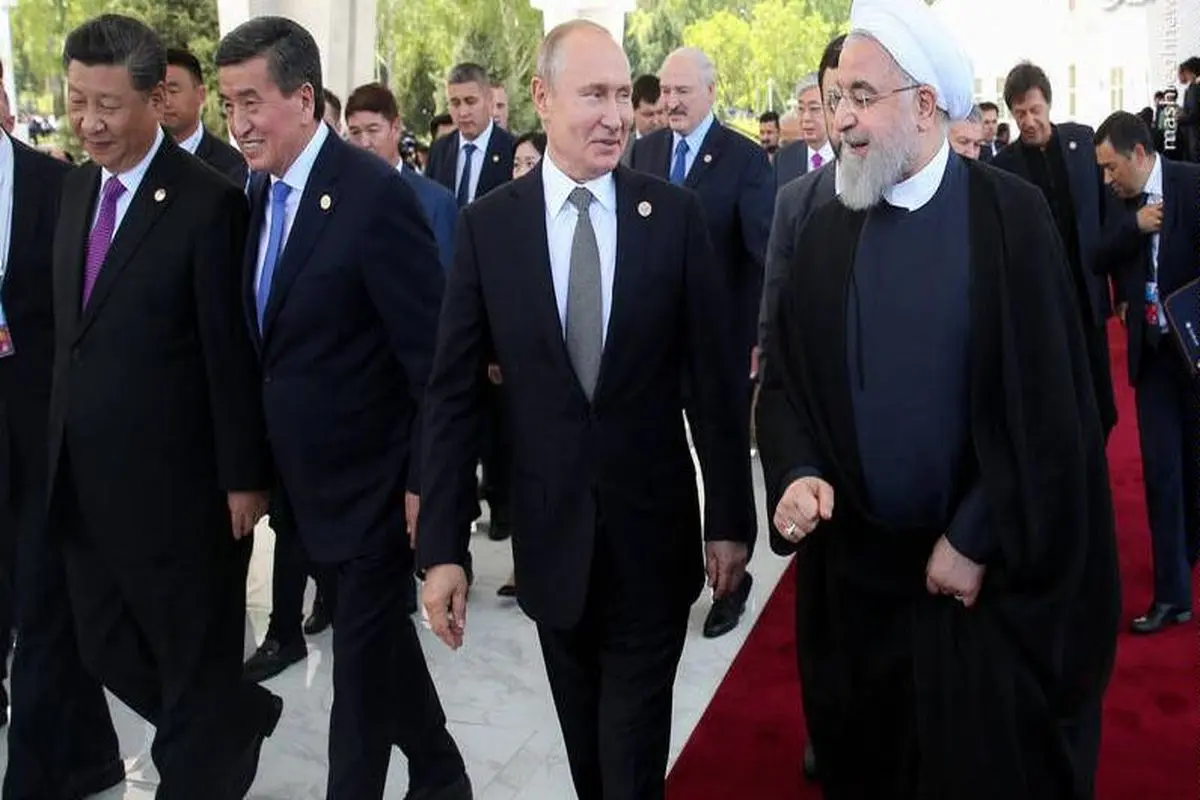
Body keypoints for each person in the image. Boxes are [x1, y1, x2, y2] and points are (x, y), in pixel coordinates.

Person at [756, 1, 1120, 796]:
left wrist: (975, 534)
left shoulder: (1010, 219)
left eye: (861, 97)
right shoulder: (824, 234)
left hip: (979, 594)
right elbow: (784, 386)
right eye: (836, 98)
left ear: (925, 105)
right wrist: (796, 472)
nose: (840, 119)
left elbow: (1051, 408)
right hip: (860, 599)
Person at [419, 19, 754, 800]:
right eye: (594, 95)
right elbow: (452, 396)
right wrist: (443, 547)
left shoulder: (672, 217)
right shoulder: (490, 227)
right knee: (589, 764)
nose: (616, 116)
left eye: (622, 95)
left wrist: (730, 520)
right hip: (550, 548)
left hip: (653, 542)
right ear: (541, 98)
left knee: (630, 764)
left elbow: (712, 384)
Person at [215, 17, 470, 800]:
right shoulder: (256, 192)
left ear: (303, 99)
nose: (239, 123)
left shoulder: (372, 196)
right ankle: (441, 772)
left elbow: (433, 364)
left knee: (356, 684)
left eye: (252, 102)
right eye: (229, 106)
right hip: (305, 491)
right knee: (381, 644)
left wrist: (427, 485)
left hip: (375, 492)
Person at [48, 14, 281, 798]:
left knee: (189, 663)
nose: (89, 121)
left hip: (182, 493)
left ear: (155, 100)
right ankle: (233, 717)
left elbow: (229, 354)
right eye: (77, 101)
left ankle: (203, 759)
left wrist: (243, 477)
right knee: (102, 643)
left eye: (107, 105)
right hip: (83, 482)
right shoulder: (75, 189)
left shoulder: (208, 204)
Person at [0, 102, 125, 800]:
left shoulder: (59, 186)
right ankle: (93, 754)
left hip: (45, 428)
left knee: (44, 602)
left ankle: (29, 778)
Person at [630, 46, 773, 639]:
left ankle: (732, 583)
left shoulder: (744, 159)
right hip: (652, 347)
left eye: (683, 91)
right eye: (666, 91)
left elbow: (764, 257)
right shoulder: (644, 152)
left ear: (711, 92)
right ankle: (669, 570)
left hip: (720, 344)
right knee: (654, 460)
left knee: (723, 462)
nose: (671, 101)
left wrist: (760, 337)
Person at [754, 31, 845, 784]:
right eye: (834, 96)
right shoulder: (797, 200)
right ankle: (826, 726)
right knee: (822, 601)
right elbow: (775, 306)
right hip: (817, 430)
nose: (844, 112)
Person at [1094, 111, 1200, 633]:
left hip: (1194, 353)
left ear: (1138, 154)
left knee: (1192, 469)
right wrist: (1133, 230)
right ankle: (1172, 595)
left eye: (1112, 167)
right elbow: (1097, 255)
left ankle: (1185, 552)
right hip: (1152, 355)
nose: (1107, 179)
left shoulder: (1191, 184)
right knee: (1160, 473)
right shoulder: (1120, 203)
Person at [992, 62, 1119, 437]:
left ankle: (1098, 449)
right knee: (1059, 392)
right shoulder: (1005, 166)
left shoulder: (1083, 141)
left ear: (1048, 103)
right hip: (1041, 297)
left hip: (1086, 286)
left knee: (1101, 393)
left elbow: (1107, 212)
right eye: (1019, 113)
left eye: (1035, 110)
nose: (1028, 121)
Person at [346, 82, 458, 272]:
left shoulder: (435, 202)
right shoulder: (338, 198)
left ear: (396, 128)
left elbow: (445, 278)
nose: (364, 143)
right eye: (355, 132)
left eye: (373, 130)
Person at [425, 63, 516, 206]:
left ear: (489, 101)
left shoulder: (512, 150)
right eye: (455, 103)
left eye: (470, 102)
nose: (463, 112)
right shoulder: (439, 150)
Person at [162, 47, 247, 186]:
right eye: (158, 92)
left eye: (173, 91)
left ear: (200, 95)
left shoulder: (232, 167)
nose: (165, 101)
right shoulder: (135, 161)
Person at [772, 73, 836, 189]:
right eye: (801, 109)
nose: (806, 118)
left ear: (833, 110)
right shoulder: (783, 158)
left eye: (814, 109)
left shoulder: (849, 157)